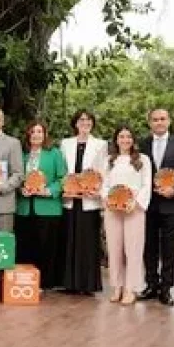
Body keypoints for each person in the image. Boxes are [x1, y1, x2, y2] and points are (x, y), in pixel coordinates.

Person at [138, 108, 174, 306]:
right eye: (155, 120)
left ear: (169, 121)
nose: (159, 123)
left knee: (169, 248)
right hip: (149, 205)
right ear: (149, 123)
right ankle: (151, 284)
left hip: (172, 205)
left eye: (162, 119)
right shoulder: (142, 144)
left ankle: (166, 288)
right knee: (149, 247)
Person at [101, 126, 151, 306]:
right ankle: (117, 286)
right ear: (116, 140)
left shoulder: (142, 160)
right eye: (121, 137)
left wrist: (135, 203)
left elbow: (147, 185)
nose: (125, 140)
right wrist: (109, 200)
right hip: (113, 210)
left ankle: (131, 288)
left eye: (128, 136)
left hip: (134, 209)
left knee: (133, 249)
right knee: (114, 249)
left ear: (133, 140)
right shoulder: (109, 160)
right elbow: (104, 184)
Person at [59, 110, 106, 295]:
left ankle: (87, 284)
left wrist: (95, 190)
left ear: (92, 123)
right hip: (71, 198)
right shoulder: (65, 143)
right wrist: (67, 187)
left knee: (87, 241)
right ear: (75, 123)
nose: (85, 122)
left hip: (89, 198)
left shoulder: (101, 144)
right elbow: (63, 169)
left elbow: (102, 171)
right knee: (69, 239)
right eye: (81, 119)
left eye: (88, 120)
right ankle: (69, 283)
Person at [17, 120, 66, 290]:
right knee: (26, 246)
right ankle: (26, 281)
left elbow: (62, 178)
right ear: (28, 135)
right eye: (33, 132)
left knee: (46, 247)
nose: (36, 135)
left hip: (48, 207)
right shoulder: (22, 155)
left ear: (45, 135)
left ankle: (45, 283)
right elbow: (17, 177)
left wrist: (49, 190)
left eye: (39, 131)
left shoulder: (54, 154)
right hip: (25, 207)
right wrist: (21, 189)